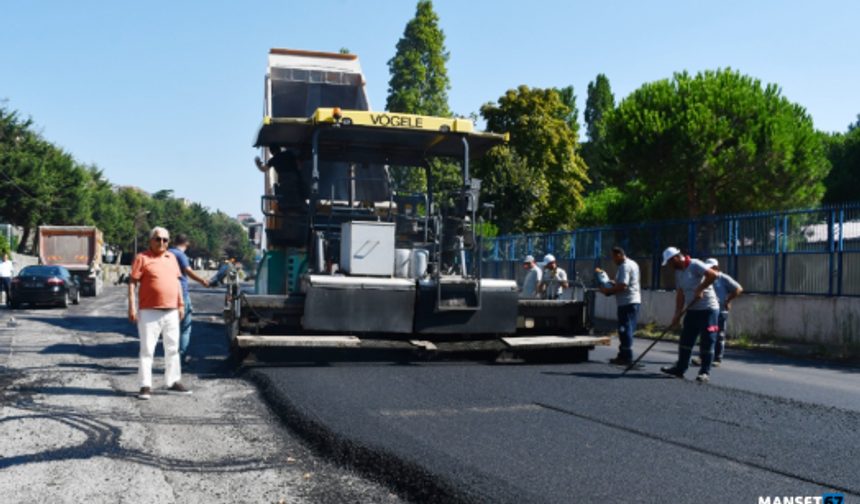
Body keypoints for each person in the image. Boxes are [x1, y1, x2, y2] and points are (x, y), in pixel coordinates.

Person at [128, 227, 191, 400]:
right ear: (151, 241)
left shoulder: (172, 258)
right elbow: (132, 283)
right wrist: (132, 307)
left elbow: (177, 283)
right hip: (149, 311)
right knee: (147, 349)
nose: (161, 242)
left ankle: (173, 382)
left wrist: (181, 304)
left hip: (171, 311)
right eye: (158, 239)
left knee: (172, 348)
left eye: (165, 240)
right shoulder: (142, 258)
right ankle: (145, 385)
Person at [659, 246, 720, 383]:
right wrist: (677, 313)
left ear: (675, 259)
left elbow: (713, 275)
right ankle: (680, 368)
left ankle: (704, 372)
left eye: (669, 262)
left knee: (707, 341)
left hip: (708, 309)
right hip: (692, 311)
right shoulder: (679, 273)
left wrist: (700, 288)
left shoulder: (695, 264)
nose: (669, 266)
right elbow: (680, 294)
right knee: (686, 340)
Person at [691, 258, 743, 367]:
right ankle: (702, 357)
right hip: (707, 310)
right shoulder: (703, 278)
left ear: (716, 268)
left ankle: (717, 358)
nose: (708, 269)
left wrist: (727, 300)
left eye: (711, 268)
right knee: (706, 334)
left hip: (720, 311)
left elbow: (738, 289)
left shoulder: (723, 278)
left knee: (719, 335)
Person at [168, 233, 210, 365]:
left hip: (166, 295)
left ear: (174, 242)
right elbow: (188, 271)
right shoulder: (181, 255)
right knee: (185, 329)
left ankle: (170, 359)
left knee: (170, 329)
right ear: (187, 244)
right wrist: (202, 280)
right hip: (181, 296)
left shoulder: (166, 254)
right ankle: (180, 360)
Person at [600, 247, 641, 365]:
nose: (612, 260)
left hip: (627, 302)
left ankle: (627, 357)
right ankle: (623, 354)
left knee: (625, 329)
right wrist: (614, 283)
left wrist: (608, 290)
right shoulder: (633, 264)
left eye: (613, 257)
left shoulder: (625, 266)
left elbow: (623, 286)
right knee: (626, 329)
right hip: (632, 301)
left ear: (618, 255)